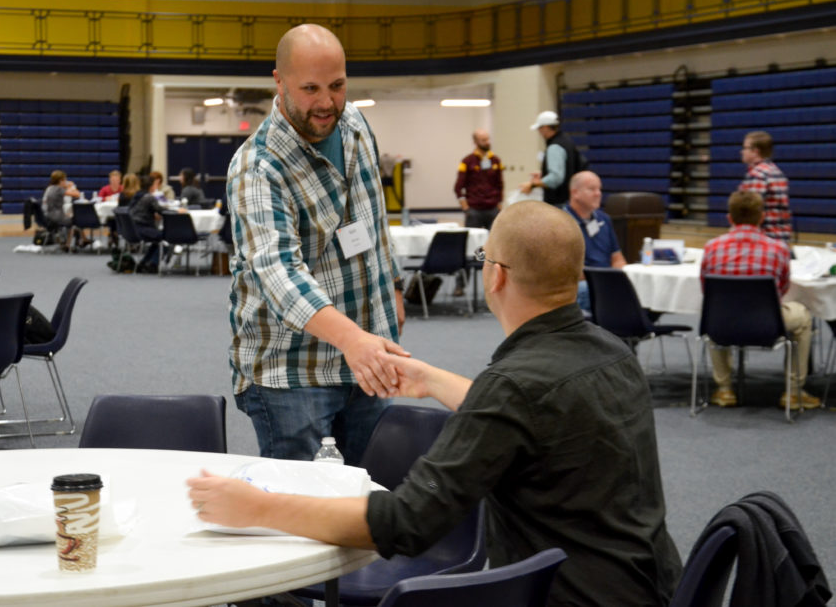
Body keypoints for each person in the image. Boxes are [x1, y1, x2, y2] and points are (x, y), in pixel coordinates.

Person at [189, 201, 682, 606]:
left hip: (565, 597)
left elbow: (405, 524)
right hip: (650, 584)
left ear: (497, 277)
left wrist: (260, 508)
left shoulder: (512, 384)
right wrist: (429, 379)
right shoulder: (611, 353)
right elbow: (538, 419)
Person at [226, 23, 407, 466]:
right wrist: (354, 340)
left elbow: (374, 217)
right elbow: (279, 274)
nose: (327, 103)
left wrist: (395, 287)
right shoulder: (257, 167)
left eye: (338, 85)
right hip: (293, 373)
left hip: (368, 359)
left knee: (371, 499)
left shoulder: (356, 124)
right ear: (279, 81)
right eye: (310, 89)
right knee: (304, 514)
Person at [700, 190, 815, 410]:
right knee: (802, 317)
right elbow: (781, 290)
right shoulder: (779, 249)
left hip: (722, 323)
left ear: (729, 218)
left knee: (715, 311)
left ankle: (724, 390)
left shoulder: (711, 247)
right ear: (762, 217)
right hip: (767, 323)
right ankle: (793, 392)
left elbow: (707, 290)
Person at [563, 171, 625, 311]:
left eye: (599, 189)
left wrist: (620, 277)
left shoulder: (604, 220)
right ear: (575, 193)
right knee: (591, 291)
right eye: (592, 189)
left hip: (607, 281)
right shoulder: (561, 222)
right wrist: (604, 280)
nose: (598, 194)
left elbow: (618, 259)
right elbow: (568, 272)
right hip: (582, 283)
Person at [452, 128, 503, 296]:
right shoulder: (467, 161)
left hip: (492, 210)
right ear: (475, 142)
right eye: (483, 140)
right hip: (474, 210)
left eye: (488, 139)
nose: (487, 142)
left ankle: (496, 284)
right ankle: (460, 285)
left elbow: (500, 185)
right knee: (470, 248)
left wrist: (499, 205)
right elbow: (458, 187)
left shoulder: (496, 160)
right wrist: (465, 207)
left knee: (495, 248)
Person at [520, 110, 585, 206]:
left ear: (546, 127)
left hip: (558, 202)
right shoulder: (567, 142)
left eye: (540, 128)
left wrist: (532, 185)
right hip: (569, 200)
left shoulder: (554, 147)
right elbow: (568, 168)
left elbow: (556, 178)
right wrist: (544, 174)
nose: (539, 132)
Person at [738, 131, 791, 242]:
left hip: (763, 238)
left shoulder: (757, 175)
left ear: (755, 151)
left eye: (745, 148)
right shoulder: (776, 171)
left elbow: (750, 211)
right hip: (781, 237)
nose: (741, 151)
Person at [41, 170, 84, 249]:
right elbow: (77, 194)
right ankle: (68, 244)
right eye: (65, 180)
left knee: (69, 216)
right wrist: (72, 186)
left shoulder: (50, 188)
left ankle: (82, 239)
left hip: (48, 216)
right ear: (61, 181)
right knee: (75, 220)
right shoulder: (59, 189)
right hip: (56, 217)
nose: (66, 182)